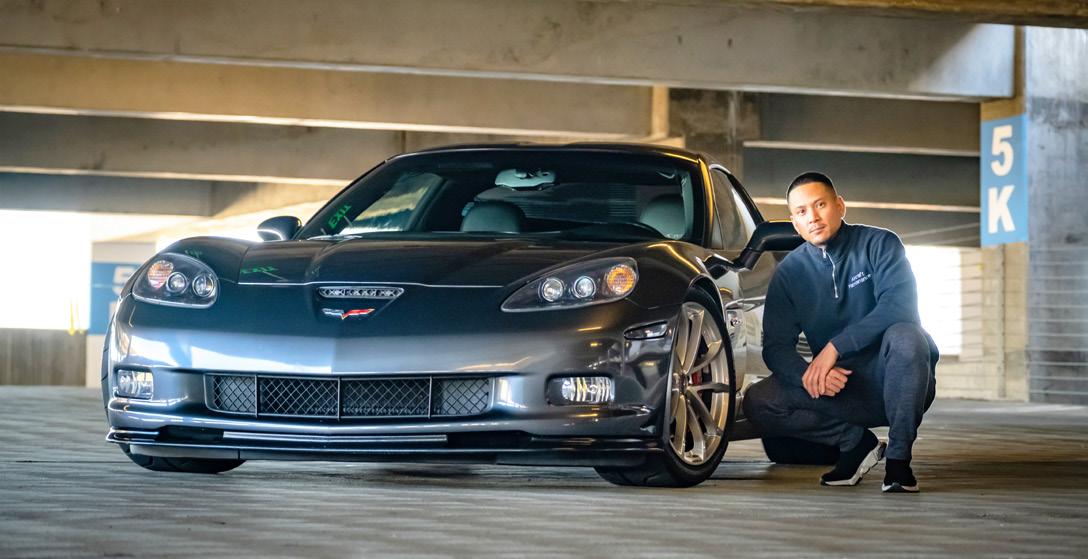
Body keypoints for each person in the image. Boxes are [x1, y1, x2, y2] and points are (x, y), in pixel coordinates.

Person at [743, 172, 938, 493]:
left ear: (840, 206)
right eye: (802, 211)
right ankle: (856, 443)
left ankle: (898, 461)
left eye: (820, 205)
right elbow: (776, 347)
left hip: (897, 380)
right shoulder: (789, 273)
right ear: (795, 223)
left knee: (908, 337)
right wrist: (807, 374)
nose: (813, 217)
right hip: (840, 388)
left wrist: (834, 348)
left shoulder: (880, 244)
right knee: (758, 401)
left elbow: (899, 308)